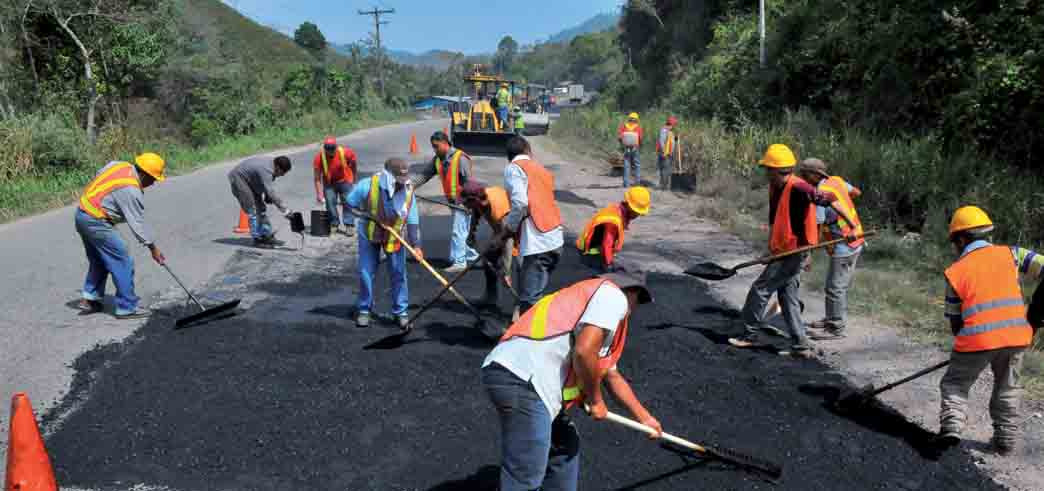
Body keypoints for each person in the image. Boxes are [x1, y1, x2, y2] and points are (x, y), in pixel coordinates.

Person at [481, 271, 660, 491]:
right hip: (522, 378)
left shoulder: (593, 303)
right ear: (632, 291)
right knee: (526, 474)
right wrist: (596, 400)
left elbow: (610, 374)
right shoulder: (612, 297)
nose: (633, 310)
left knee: (564, 445)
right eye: (637, 301)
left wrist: (645, 418)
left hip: (518, 376)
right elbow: (584, 352)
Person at [728, 144, 857, 357]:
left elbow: (830, 200)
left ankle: (748, 335)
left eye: (768, 169)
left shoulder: (800, 187)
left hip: (794, 251)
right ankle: (801, 344)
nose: (766, 174)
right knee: (787, 296)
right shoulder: (775, 188)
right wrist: (769, 249)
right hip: (782, 250)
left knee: (760, 289)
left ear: (776, 170)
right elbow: (774, 221)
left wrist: (851, 226)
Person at [936, 206, 1040, 455]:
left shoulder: (955, 271)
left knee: (955, 383)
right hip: (1017, 336)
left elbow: (955, 322)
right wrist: (1037, 314)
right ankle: (1005, 439)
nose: (955, 247)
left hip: (977, 339)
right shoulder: (1013, 254)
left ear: (961, 239)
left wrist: (963, 351)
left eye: (954, 242)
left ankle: (952, 426)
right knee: (1008, 387)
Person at [75, 153, 168, 319]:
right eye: (153, 179)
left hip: (82, 214)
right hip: (96, 221)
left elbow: (99, 177)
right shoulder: (131, 190)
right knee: (122, 259)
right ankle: (127, 306)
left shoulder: (119, 165)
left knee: (99, 258)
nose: (153, 183)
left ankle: (90, 299)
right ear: (145, 174)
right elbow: (138, 225)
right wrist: (153, 248)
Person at [494, 136, 564, 319]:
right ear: (528, 151)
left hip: (538, 243)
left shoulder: (513, 169)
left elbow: (520, 203)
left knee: (529, 302)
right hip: (555, 239)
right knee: (534, 295)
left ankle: (531, 342)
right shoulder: (541, 170)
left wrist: (509, 227)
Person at [346, 158, 420, 329]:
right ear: (388, 176)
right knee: (366, 272)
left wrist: (416, 245)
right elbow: (349, 204)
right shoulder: (367, 185)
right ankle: (364, 310)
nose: (402, 184)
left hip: (394, 236)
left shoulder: (408, 190)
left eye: (404, 180)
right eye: (398, 181)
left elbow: (413, 218)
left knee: (398, 273)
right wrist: (365, 215)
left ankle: (400, 312)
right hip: (369, 234)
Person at [796, 158, 866, 340]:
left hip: (846, 244)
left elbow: (816, 227)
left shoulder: (821, 193)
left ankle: (836, 328)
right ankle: (831, 318)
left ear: (814, 175)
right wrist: (844, 202)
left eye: (804, 174)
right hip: (855, 240)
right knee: (834, 286)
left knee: (835, 288)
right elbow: (857, 192)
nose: (802, 178)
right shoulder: (837, 180)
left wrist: (808, 255)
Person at [413, 131, 478, 273]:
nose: (434, 149)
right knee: (462, 231)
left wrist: (470, 203)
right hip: (453, 202)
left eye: (436, 146)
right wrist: (410, 187)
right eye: (433, 147)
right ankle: (469, 256)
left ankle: (459, 262)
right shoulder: (438, 159)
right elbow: (425, 175)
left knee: (458, 232)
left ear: (445, 143)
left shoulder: (460, 158)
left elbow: (470, 182)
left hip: (464, 201)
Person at [459, 180, 516, 307]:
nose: (464, 206)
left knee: (518, 268)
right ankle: (490, 297)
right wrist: (471, 234)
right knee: (489, 260)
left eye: (466, 202)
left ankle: (521, 308)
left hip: (517, 234)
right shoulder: (480, 200)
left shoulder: (497, 207)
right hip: (500, 232)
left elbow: (508, 238)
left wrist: (506, 271)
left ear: (474, 199)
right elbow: (476, 212)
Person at [575, 187, 651, 274]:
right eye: (637, 212)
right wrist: (609, 266)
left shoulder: (617, 210)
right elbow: (606, 244)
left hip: (596, 250)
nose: (638, 215)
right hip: (589, 254)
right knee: (609, 278)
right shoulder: (613, 220)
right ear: (629, 206)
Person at [228, 155, 293, 248]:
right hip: (239, 178)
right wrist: (285, 211)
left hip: (250, 180)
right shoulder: (266, 170)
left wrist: (266, 195)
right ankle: (257, 238)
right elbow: (271, 192)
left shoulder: (272, 166)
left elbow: (267, 184)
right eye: (282, 173)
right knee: (252, 209)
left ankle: (265, 235)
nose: (282, 175)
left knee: (261, 208)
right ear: (278, 167)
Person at [313, 136, 358, 236]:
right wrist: (319, 194)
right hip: (329, 183)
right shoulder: (319, 158)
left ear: (336, 147)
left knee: (348, 202)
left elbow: (354, 164)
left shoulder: (346, 153)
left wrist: (354, 178)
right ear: (324, 148)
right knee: (329, 202)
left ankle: (349, 225)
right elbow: (317, 178)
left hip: (345, 181)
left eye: (332, 148)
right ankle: (334, 224)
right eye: (327, 148)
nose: (330, 151)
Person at [617, 112, 643, 188]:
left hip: (626, 148)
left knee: (626, 165)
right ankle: (637, 183)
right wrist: (639, 146)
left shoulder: (624, 126)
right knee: (637, 165)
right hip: (635, 148)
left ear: (629, 118)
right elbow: (640, 138)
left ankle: (626, 184)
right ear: (636, 120)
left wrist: (622, 145)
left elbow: (619, 137)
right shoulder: (638, 127)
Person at [656, 116, 678, 190]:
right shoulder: (664, 130)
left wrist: (676, 139)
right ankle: (663, 186)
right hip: (664, 153)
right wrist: (663, 152)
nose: (674, 127)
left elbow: (671, 141)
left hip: (669, 153)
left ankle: (664, 185)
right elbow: (662, 142)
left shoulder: (670, 131)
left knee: (666, 169)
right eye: (674, 125)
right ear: (671, 124)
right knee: (665, 169)